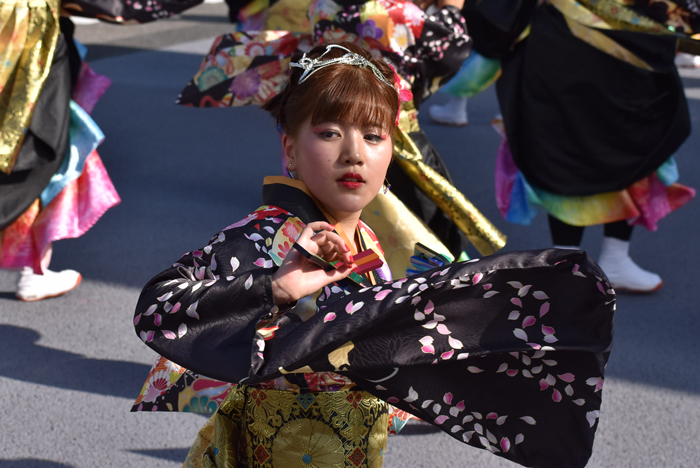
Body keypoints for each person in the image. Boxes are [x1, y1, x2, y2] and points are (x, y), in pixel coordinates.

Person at [134, 42, 614, 468]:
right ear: (290, 150)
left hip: (353, 444)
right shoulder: (266, 235)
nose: (353, 153)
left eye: (373, 135)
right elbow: (158, 305)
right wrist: (274, 288)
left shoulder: (368, 236)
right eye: (328, 133)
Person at [473, 0, 697, 293]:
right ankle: (564, 262)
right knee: (567, 141)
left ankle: (615, 256)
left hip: (635, 36)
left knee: (631, 140)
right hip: (568, 30)